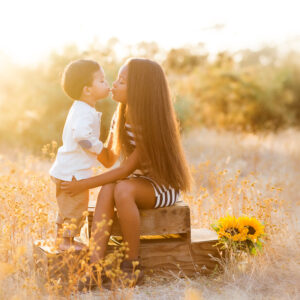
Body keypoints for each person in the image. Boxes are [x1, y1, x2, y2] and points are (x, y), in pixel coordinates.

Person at [61, 58, 191, 288]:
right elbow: (110, 158)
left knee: (121, 188)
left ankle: (133, 264)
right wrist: (87, 143)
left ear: (140, 90)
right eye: (116, 80)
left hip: (162, 187)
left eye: (121, 81)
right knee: (109, 188)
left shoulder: (149, 121)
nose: (113, 85)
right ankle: (95, 267)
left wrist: (84, 184)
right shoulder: (120, 114)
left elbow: (125, 169)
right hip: (139, 182)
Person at [49, 59, 110, 251]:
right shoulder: (84, 112)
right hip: (73, 172)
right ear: (87, 90)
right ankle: (66, 242)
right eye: (101, 81)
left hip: (66, 169)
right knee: (76, 209)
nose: (107, 84)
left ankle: (62, 239)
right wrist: (99, 148)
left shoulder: (80, 107)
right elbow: (83, 136)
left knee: (67, 208)